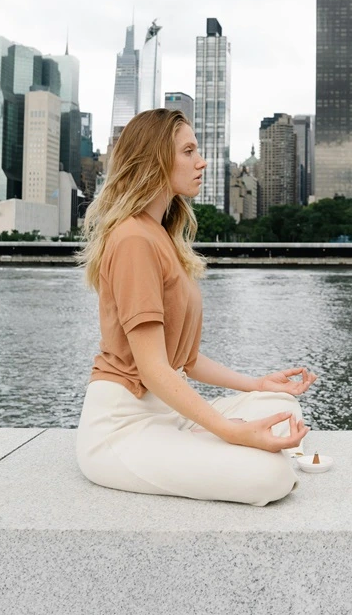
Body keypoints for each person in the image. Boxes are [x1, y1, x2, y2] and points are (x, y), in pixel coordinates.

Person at [75, 109, 318, 506]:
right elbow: (152, 369)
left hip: (167, 411)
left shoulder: (161, 236)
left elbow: (182, 360)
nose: (201, 162)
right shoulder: (133, 239)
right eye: (188, 151)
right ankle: (208, 442)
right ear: (154, 160)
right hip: (122, 425)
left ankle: (199, 440)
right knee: (271, 476)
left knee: (280, 403)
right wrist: (229, 431)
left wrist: (257, 384)